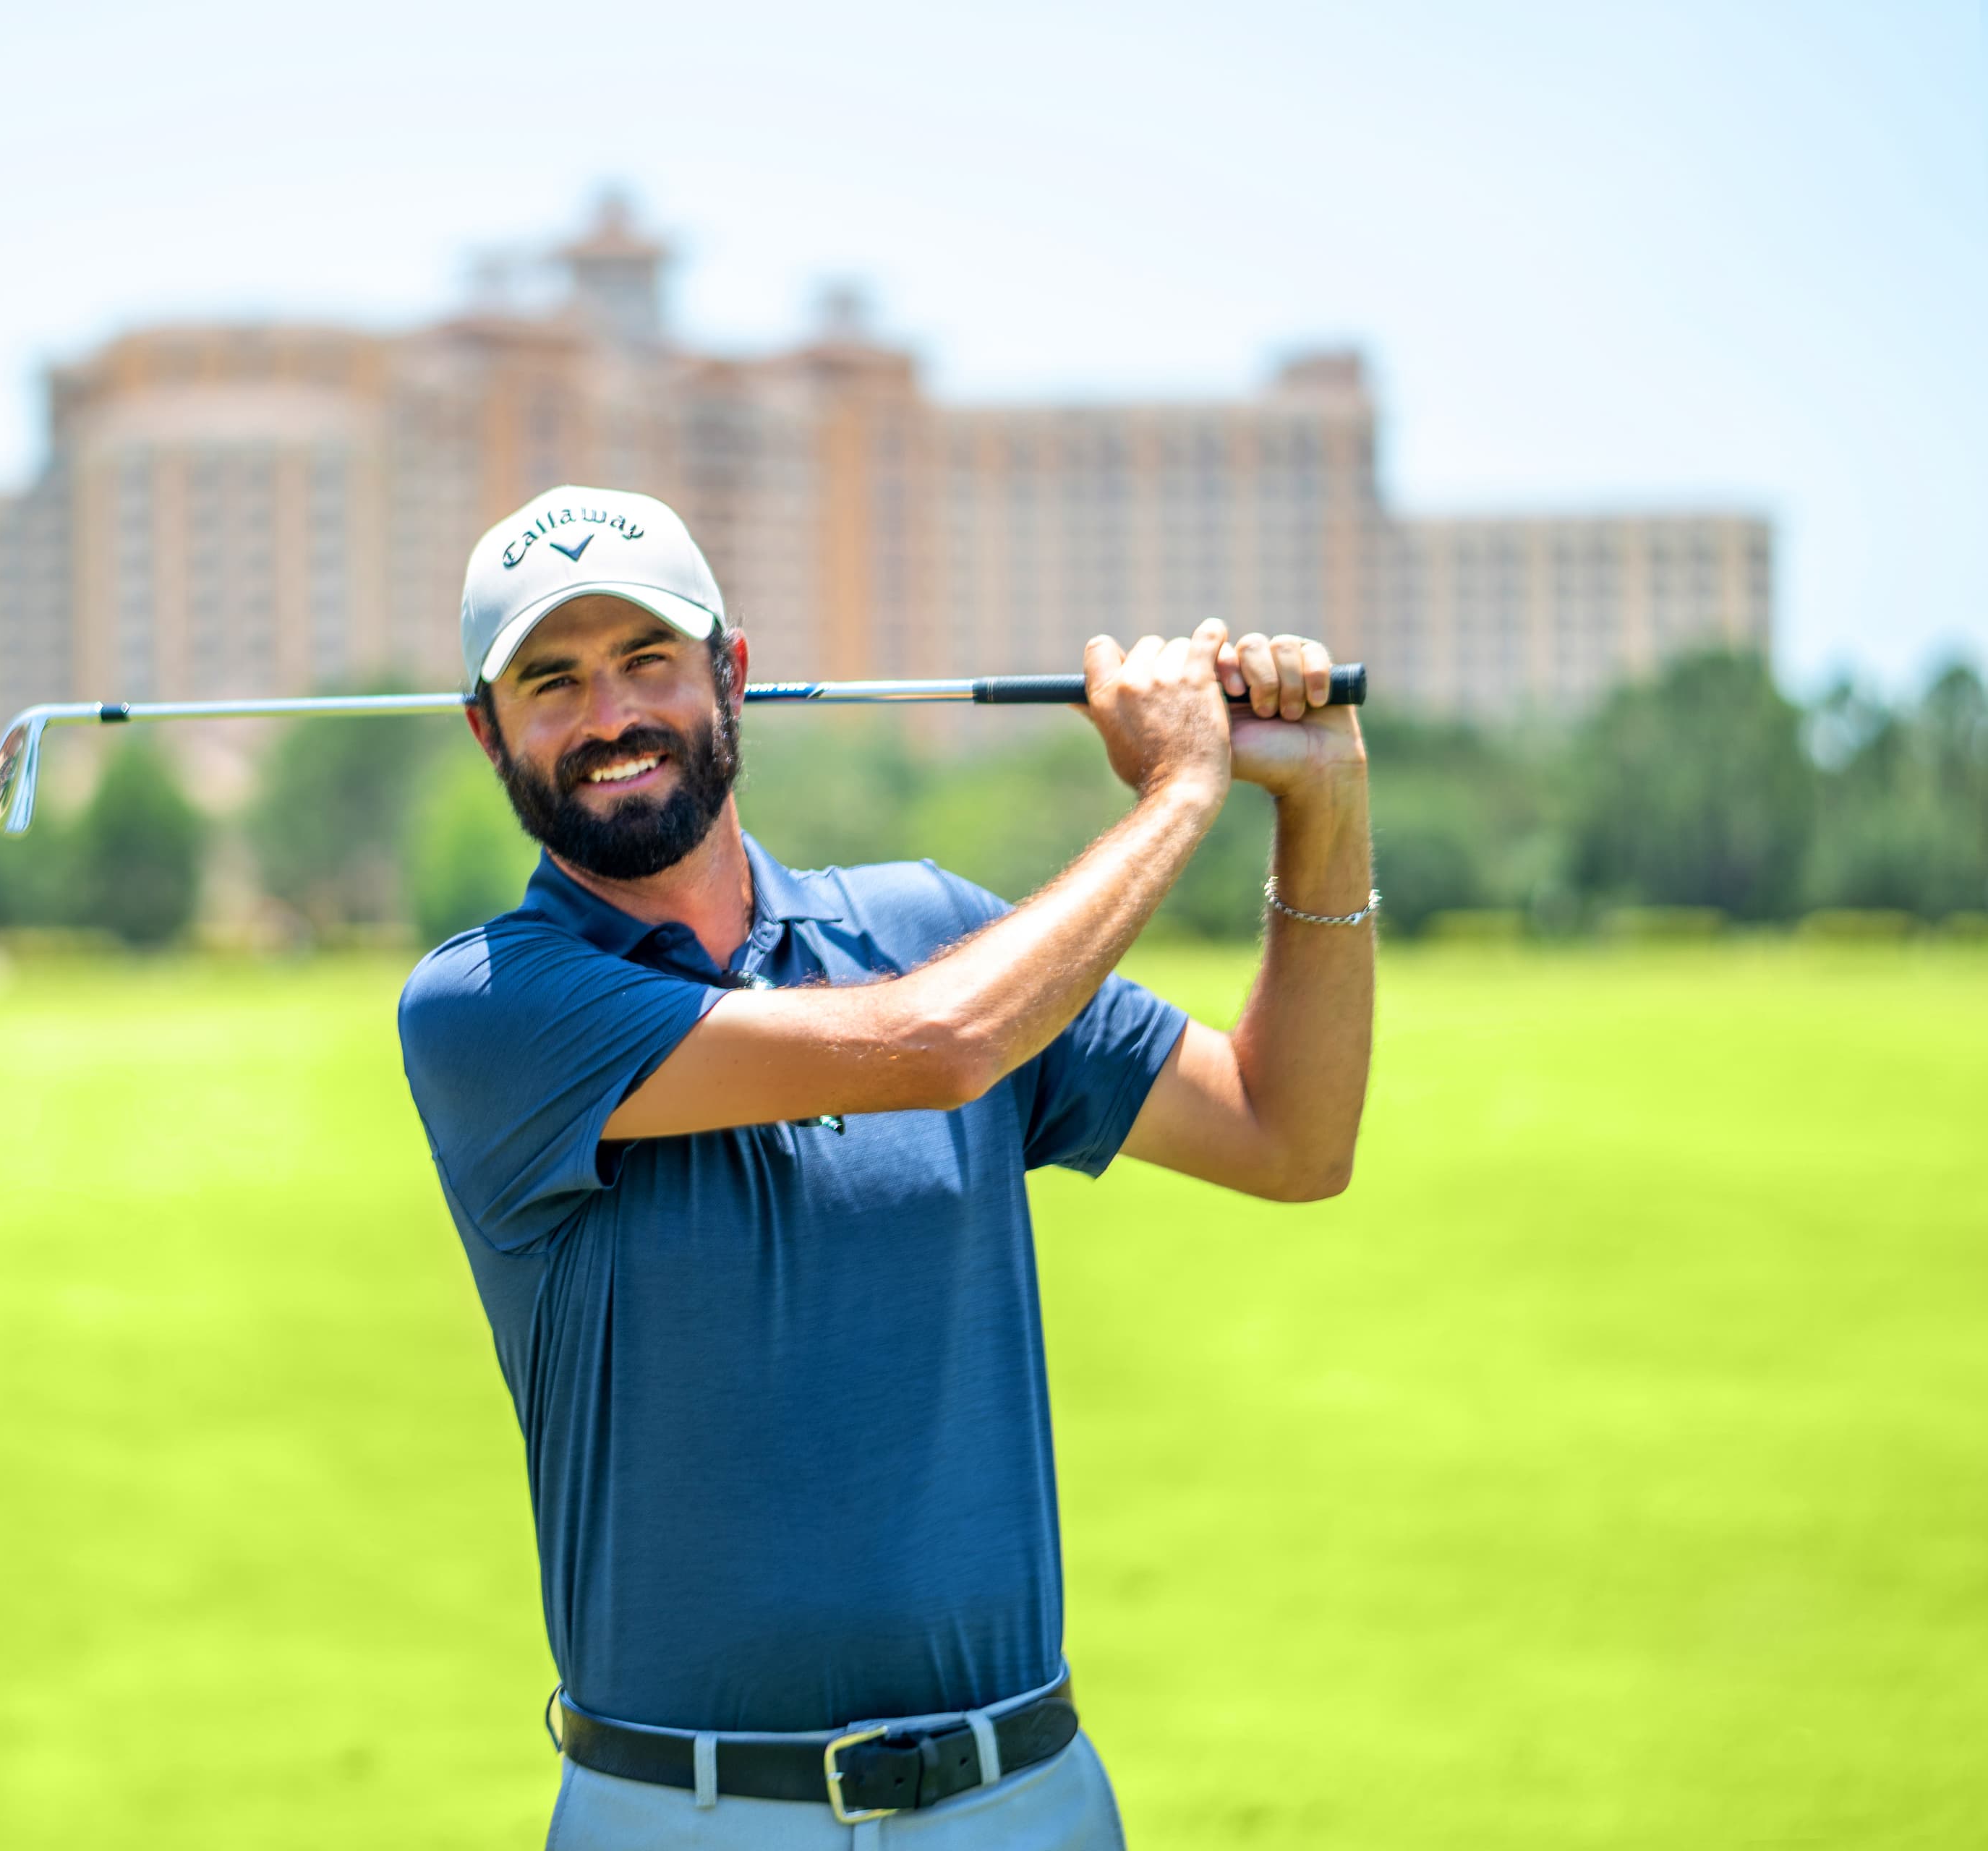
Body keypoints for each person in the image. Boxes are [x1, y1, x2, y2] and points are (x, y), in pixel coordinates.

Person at [397, 486, 1374, 1849]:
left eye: (647, 662)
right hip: (685, 1813)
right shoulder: (488, 1004)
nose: (610, 715)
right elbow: (938, 1042)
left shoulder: (931, 925)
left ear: (732, 673)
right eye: (551, 681)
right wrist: (1186, 786)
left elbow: (1290, 1133)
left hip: (1022, 1799)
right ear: (486, 731)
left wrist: (1323, 800)